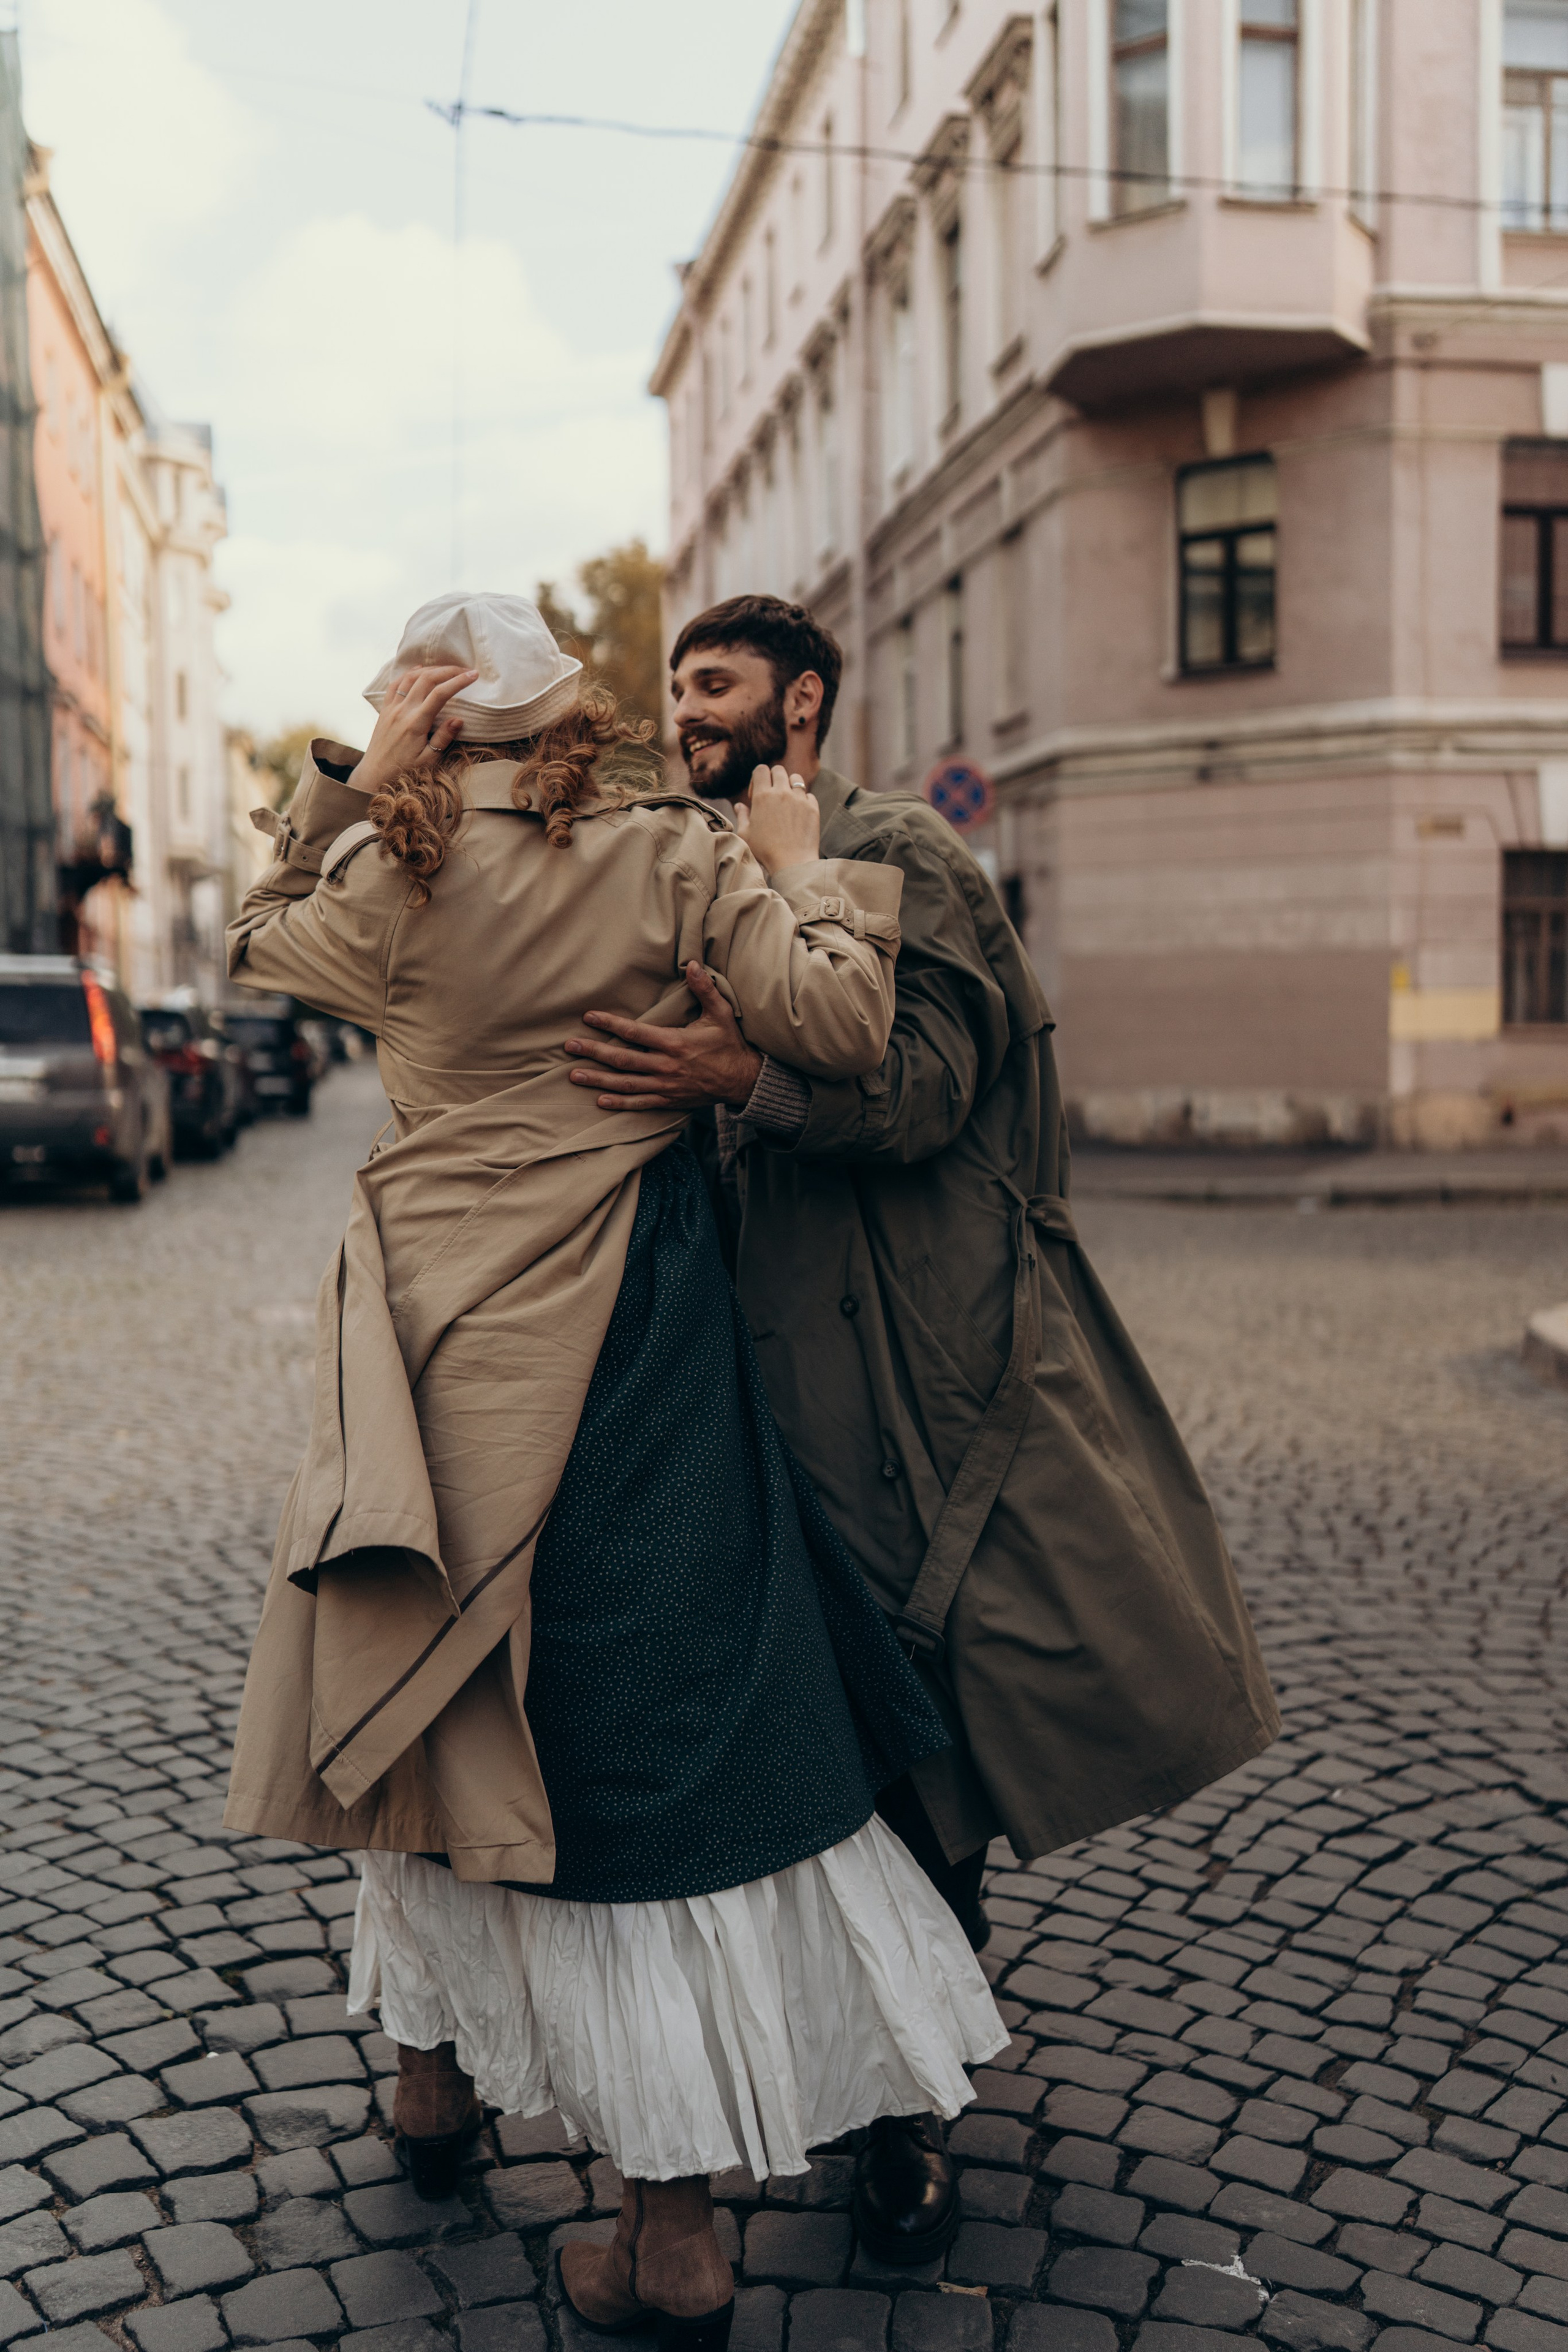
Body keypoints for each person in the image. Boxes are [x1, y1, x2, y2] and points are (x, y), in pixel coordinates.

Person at [221, 592, 1005, 2351]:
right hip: (631, 1342)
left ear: (437, 729)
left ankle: (430, 2094)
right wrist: (796, 860)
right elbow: (843, 1023)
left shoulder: (388, 889)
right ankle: (669, 2238)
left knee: (434, 1675)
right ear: (572, 717)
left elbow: (260, 936)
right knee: (659, 1732)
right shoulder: (668, 853)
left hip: (429, 1353)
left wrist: (351, 792)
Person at [564, 593, 1283, 2266]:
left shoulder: (902, 851)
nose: (687, 712)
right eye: (676, 685)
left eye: (719, 684)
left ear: (801, 703)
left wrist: (746, 1075)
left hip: (905, 1387)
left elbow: (924, 1086)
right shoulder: (701, 869)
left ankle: (908, 2123)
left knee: (917, 1757)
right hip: (741, 1393)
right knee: (815, 1754)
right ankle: (850, 2073)